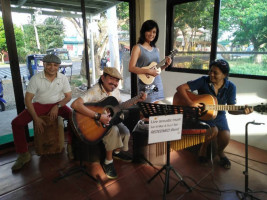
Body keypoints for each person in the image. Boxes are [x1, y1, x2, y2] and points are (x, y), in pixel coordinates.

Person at [71, 67, 146, 179]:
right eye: (111, 79)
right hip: (94, 123)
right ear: (103, 78)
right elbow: (75, 104)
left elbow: (119, 106)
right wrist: (98, 116)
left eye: (117, 81)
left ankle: (116, 152)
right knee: (114, 130)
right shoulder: (94, 90)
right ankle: (108, 162)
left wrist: (136, 100)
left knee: (125, 131)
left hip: (109, 120)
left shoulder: (115, 91)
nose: (114, 83)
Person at [176, 59, 253, 169]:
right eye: (210, 71)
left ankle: (220, 152)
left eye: (215, 73)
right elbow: (180, 88)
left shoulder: (231, 87)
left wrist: (242, 112)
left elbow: (231, 109)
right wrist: (190, 102)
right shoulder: (203, 81)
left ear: (224, 75)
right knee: (213, 131)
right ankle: (202, 150)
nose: (211, 74)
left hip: (220, 115)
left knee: (225, 136)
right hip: (203, 114)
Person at [11, 54, 74, 172]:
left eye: (55, 65)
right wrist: (35, 118)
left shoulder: (62, 78)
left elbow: (68, 96)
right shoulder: (36, 78)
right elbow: (28, 100)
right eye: (49, 64)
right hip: (39, 105)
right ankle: (23, 154)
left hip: (57, 104)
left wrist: (57, 106)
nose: (52, 67)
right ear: (44, 64)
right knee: (16, 123)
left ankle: (71, 146)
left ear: (59, 66)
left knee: (73, 118)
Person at [129, 19, 172, 103]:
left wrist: (166, 65)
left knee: (156, 113)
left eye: (154, 32)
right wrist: (148, 71)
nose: (152, 34)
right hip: (145, 85)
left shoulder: (156, 49)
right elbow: (131, 68)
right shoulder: (137, 48)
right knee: (145, 112)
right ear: (143, 31)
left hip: (157, 84)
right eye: (149, 31)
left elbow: (156, 70)